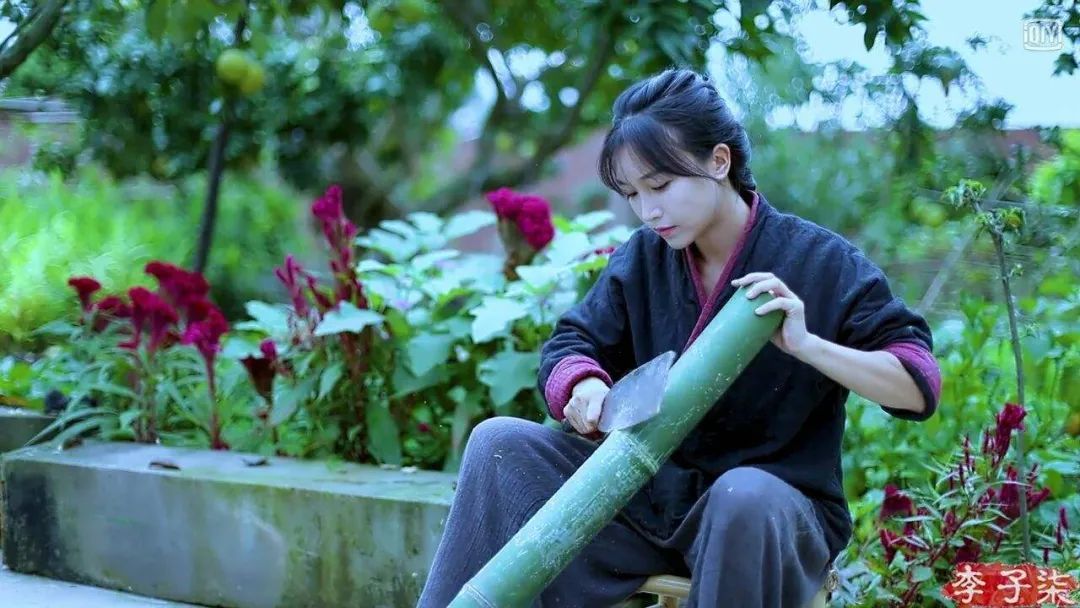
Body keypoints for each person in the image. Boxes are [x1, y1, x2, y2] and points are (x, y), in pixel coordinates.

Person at [417, 68, 941, 608]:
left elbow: (918, 385)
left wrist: (808, 345)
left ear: (719, 161)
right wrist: (583, 386)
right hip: (655, 507)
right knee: (499, 444)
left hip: (769, 518)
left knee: (742, 496)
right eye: (633, 194)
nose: (649, 211)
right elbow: (571, 344)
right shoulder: (644, 258)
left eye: (661, 186)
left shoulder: (821, 261)